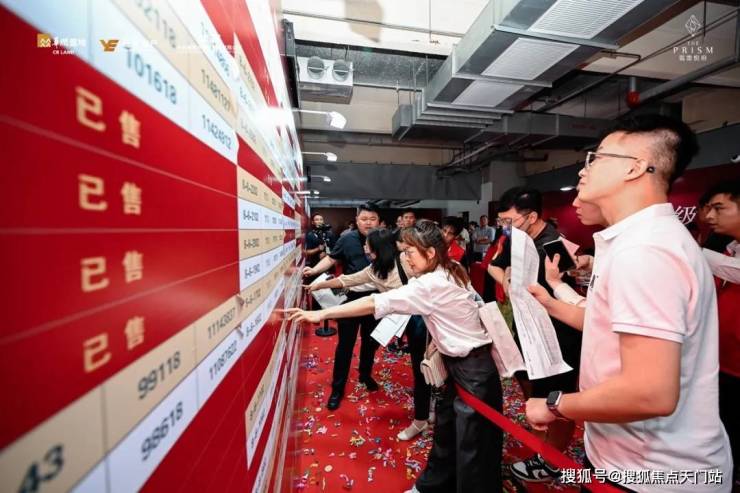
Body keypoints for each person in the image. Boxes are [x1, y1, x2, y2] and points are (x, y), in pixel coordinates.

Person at [525, 114, 732, 492]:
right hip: (628, 459)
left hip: (651, 472)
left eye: (597, 158)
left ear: (635, 168)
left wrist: (555, 404)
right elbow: (606, 324)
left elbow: (649, 392)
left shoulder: (645, 250)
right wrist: (549, 303)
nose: (583, 169)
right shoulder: (636, 242)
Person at [289, 220, 503, 493]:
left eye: (410, 252)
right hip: (461, 364)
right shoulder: (450, 268)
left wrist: (321, 313)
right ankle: (431, 486)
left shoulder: (431, 283)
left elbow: (374, 302)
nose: (406, 259)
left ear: (430, 253)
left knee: (473, 447)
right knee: (447, 433)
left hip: (473, 371)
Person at [487, 186, 581, 483]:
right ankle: (541, 439)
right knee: (533, 386)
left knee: (559, 397)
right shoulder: (515, 238)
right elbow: (493, 266)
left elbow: (568, 295)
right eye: (502, 221)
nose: (505, 227)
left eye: (510, 221)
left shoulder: (554, 244)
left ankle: (553, 460)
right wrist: (507, 280)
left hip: (558, 336)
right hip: (528, 330)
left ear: (532, 217)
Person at [306, 228, 433, 441]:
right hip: (402, 319)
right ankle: (424, 412)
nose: (365, 248)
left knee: (426, 366)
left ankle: (427, 411)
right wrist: (320, 284)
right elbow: (346, 280)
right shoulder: (374, 270)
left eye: (368, 246)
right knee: (419, 365)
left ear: (378, 249)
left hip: (422, 319)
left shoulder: (406, 261)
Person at [302, 202, 381, 410]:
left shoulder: (384, 239)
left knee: (370, 342)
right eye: (364, 219)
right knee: (345, 345)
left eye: (372, 219)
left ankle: (365, 375)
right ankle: (338, 388)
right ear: (357, 220)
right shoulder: (347, 239)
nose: (368, 223)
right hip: (350, 299)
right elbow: (331, 258)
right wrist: (314, 271)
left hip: (376, 300)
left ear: (379, 221)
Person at [702, 179, 740, 488]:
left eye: (719, 208)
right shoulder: (727, 249)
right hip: (721, 362)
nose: (709, 216)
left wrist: (692, 250)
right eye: (708, 208)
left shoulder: (721, 258)